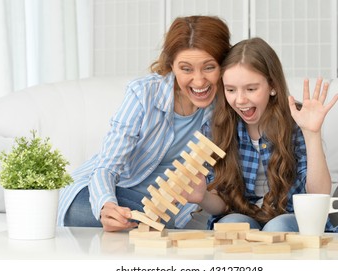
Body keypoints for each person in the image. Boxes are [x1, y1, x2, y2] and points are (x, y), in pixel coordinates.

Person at [57, 15, 231, 232]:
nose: (198, 81)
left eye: (209, 67)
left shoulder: (227, 107)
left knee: (165, 222)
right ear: (172, 66)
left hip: (164, 209)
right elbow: (107, 166)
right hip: (112, 191)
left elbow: (223, 190)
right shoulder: (143, 94)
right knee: (84, 209)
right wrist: (106, 205)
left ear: (224, 65)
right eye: (186, 69)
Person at [192, 37, 338, 232]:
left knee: (277, 226)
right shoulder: (216, 126)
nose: (240, 100)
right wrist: (203, 197)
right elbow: (222, 206)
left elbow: (318, 194)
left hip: (290, 219)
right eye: (230, 90)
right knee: (231, 226)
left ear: (272, 86)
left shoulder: (297, 119)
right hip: (240, 216)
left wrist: (312, 134)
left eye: (251, 89)